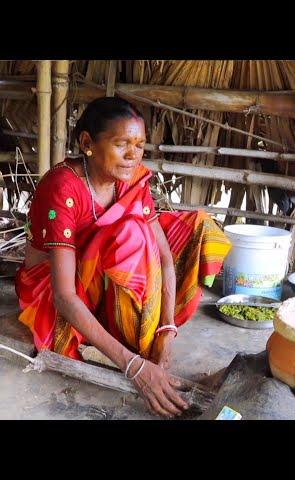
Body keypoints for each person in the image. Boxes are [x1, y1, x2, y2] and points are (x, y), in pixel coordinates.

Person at [15, 97, 232, 417]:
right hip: (53, 292)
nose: (133, 155)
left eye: (140, 145)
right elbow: (64, 296)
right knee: (131, 236)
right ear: (87, 142)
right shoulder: (63, 187)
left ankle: (142, 331)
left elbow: (165, 258)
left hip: (105, 276)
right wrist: (132, 366)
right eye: (122, 144)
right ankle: (134, 342)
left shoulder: (130, 177)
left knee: (198, 227)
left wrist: (167, 330)